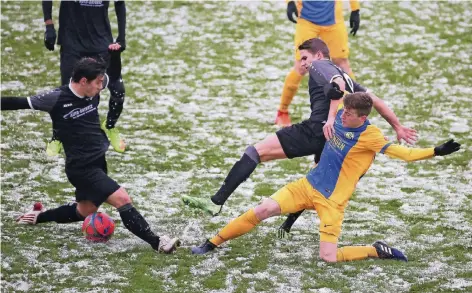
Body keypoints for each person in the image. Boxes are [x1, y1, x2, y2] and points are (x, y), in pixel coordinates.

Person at [191, 92, 461, 262]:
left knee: (328, 258)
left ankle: (374, 250)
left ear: (363, 117)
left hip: (332, 202)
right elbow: (337, 96)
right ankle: (212, 243)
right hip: (306, 186)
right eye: (343, 111)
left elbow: (403, 154)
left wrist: (435, 152)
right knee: (263, 209)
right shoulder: (341, 116)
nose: (343, 115)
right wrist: (333, 107)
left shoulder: (372, 136)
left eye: (349, 114)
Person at [182, 38, 417, 219]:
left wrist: (329, 117)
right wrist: (398, 126)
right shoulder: (345, 74)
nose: (302, 63)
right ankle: (289, 222)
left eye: (305, 57)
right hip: (333, 137)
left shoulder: (320, 67)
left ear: (318, 54)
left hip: (316, 130)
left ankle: (216, 201)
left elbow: (335, 87)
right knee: (314, 181)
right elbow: (373, 99)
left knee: (255, 151)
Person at [1, 58, 179, 253]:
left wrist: (116, 53)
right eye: (97, 83)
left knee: (85, 210)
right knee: (122, 199)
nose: (101, 87)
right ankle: (158, 243)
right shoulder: (56, 98)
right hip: (81, 168)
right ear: (83, 81)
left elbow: (116, 75)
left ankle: (38, 216)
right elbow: (18, 102)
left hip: (98, 162)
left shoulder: (95, 86)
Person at [42, 0, 127, 155]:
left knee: (118, 89)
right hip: (72, 42)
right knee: (66, 95)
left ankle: (109, 126)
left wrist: (121, 37)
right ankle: (58, 137)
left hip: (101, 43)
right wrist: (49, 25)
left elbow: (119, 3)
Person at [276, 0, 361, 127]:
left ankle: (357, 109)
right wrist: (290, 2)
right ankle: (282, 112)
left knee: (342, 63)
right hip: (306, 20)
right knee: (301, 66)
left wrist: (355, 9)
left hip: (333, 21)